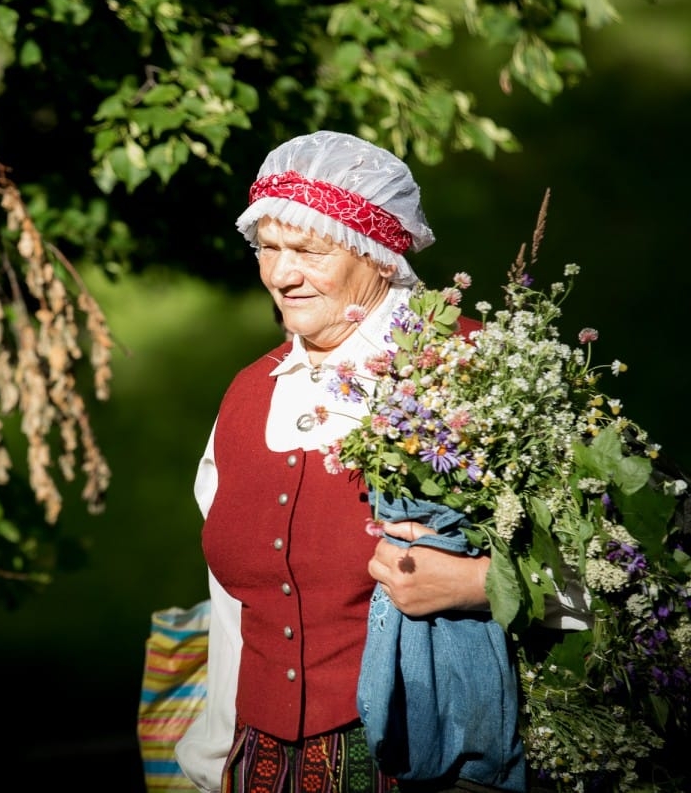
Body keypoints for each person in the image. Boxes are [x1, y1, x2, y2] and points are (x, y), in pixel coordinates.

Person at [173, 130, 513, 793]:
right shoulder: (249, 394)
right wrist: (207, 767)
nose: (280, 273)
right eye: (268, 247)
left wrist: (478, 583)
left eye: (308, 249)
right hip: (260, 770)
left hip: (431, 767)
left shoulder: (472, 369)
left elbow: (621, 582)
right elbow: (233, 608)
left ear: (381, 256)